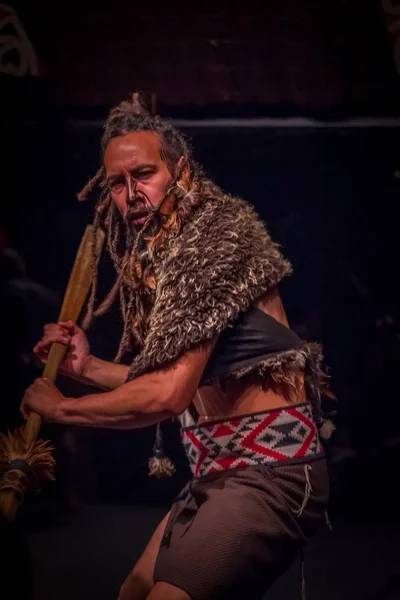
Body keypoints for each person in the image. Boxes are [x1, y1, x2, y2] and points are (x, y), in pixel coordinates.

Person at [21, 94, 330, 600]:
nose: (131, 193)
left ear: (182, 171)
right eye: (118, 184)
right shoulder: (163, 256)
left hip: (269, 474)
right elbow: (176, 381)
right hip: (218, 476)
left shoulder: (212, 238)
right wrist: (89, 366)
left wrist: (62, 408)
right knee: (134, 593)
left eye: (143, 174)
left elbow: (167, 396)